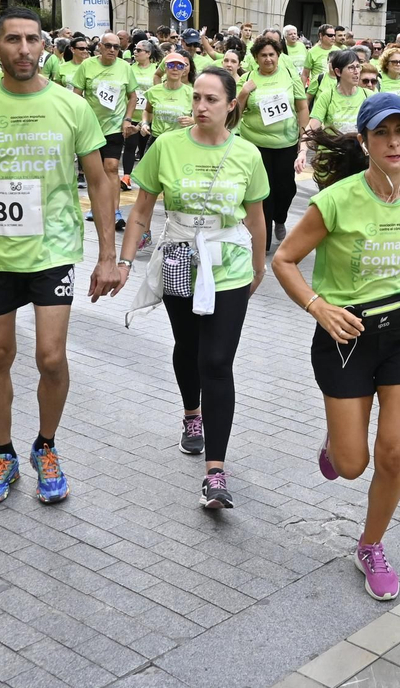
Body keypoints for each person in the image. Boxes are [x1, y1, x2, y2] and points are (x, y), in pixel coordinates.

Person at [272, 92, 400, 600]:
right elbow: (284, 260)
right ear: (364, 141)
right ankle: (336, 445)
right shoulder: (336, 200)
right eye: (381, 133)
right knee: (351, 464)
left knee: (395, 453)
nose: (393, 142)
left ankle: (371, 544)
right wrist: (318, 307)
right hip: (346, 334)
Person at [0, 7, 122, 505]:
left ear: (44, 45)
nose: (24, 49)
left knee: (51, 357)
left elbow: (100, 181)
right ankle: (4, 454)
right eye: (13, 40)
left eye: (32, 39)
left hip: (53, 250)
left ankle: (46, 446)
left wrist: (108, 256)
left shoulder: (71, 106)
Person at [117, 67, 268, 509]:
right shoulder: (167, 146)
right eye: (196, 98)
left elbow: (256, 217)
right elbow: (141, 211)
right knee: (188, 346)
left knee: (217, 361)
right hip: (181, 256)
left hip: (230, 263)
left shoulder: (247, 154)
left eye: (211, 99)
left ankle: (215, 473)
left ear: (231, 105)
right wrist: (124, 261)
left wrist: (258, 267)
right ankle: (191, 414)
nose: (201, 106)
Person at [238, 35, 309, 245]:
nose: (268, 59)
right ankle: (264, 240)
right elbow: (235, 113)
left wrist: (303, 141)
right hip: (255, 144)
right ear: (256, 58)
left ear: (278, 56)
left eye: (272, 54)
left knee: (285, 189)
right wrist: (243, 93)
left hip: (285, 143)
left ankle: (280, 218)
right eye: (263, 55)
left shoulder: (290, 76)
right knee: (263, 192)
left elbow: (302, 108)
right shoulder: (247, 79)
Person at [74, 31, 139, 229]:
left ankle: (114, 210)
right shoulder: (87, 66)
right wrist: (81, 118)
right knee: (95, 172)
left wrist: (127, 119)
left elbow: (133, 96)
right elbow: (76, 95)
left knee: (111, 167)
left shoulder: (125, 67)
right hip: (91, 127)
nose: (112, 50)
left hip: (114, 126)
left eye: (116, 47)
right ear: (100, 47)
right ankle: (96, 207)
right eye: (108, 46)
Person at [123, 39, 160, 186]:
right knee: (130, 146)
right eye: (134, 49)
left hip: (148, 117)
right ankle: (126, 177)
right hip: (132, 114)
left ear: (148, 53)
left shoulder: (156, 70)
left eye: (139, 50)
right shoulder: (129, 68)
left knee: (145, 150)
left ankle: (144, 179)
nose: (135, 52)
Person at [144, 50, 196, 141]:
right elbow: (147, 111)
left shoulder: (192, 93)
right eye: (171, 65)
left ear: (184, 70)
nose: (175, 69)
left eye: (180, 66)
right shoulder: (154, 91)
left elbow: (202, 117)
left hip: (179, 140)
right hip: (156, 139)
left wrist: (193, 121)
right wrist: (144, 124)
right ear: (165, 68)